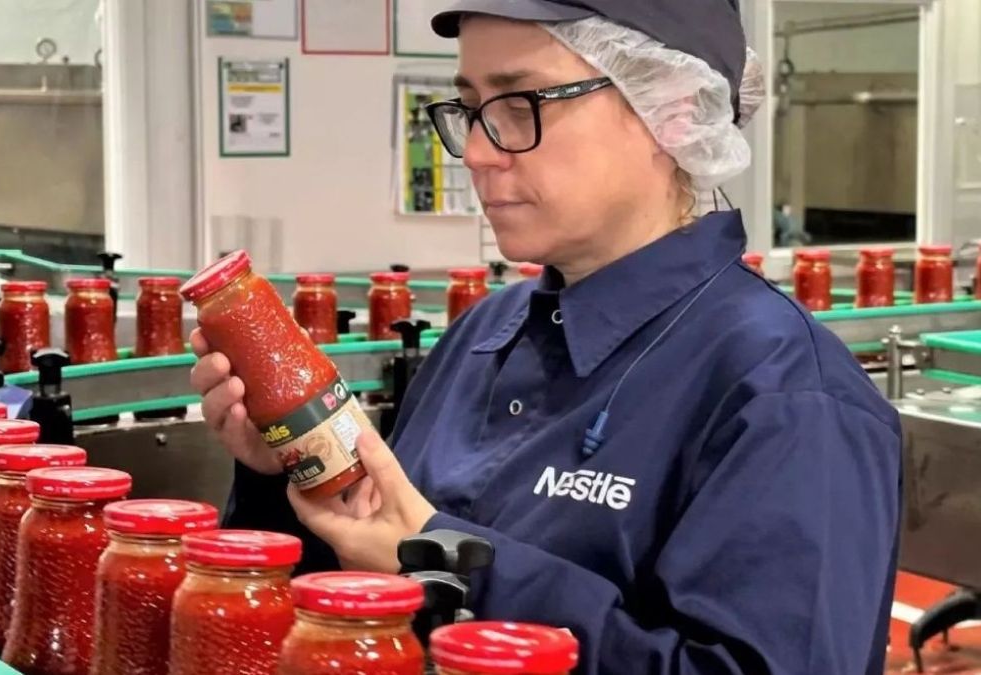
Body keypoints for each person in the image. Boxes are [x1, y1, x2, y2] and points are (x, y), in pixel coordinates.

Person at [190, 1, 902, 672]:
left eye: (517, 104)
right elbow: (354, 615)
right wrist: (285, 477)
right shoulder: (482, 335)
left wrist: (446, 563)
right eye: (468, 110)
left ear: (675, 113)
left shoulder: (785, 395)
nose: (474, 151)